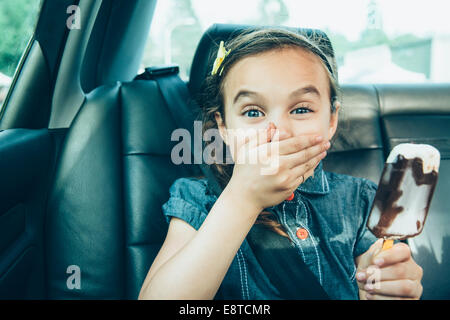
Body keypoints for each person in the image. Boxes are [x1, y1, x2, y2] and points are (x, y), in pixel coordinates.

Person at [138, 28, 423, 300]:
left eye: (301, 109)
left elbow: (379, 270)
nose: (280, 131)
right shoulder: (197, 199)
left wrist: (385, 280)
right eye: (253, 112)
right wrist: (241, 200)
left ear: (331, 120)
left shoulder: (362, 201)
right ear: (223, 128)